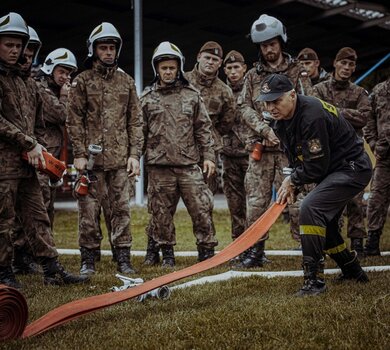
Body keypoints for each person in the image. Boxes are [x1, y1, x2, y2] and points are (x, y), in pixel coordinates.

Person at [258, 73, 372, 296]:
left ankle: (314, 281)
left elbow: (317, 167)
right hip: (333, 169)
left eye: (276, 101)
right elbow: (295, 155)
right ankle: (353, 271)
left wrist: (294, 181)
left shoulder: (312, 115)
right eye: (267, 101)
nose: (270, 107)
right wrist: (291, 179)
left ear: (292, 95)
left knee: (310, 208)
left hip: (352, 168)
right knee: (325, 224)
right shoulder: (281, 118)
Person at [0, 12, 89, 288]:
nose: (16, 50)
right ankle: (4, 273)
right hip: (3, 165)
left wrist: (39, 150)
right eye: (9, 44)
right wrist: (29, 143)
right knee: (3, 220)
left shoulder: (27, 81)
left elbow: (41, 121)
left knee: (38, 216)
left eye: (19, 45)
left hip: (28, 164)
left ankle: (52, 270)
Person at [66, 22, 143, 275]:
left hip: (120, 162)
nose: (108, 52)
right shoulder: (82, 82)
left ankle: (123, 258)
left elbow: (135, 121)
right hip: (90, 163)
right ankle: (88, 259)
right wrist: (78, 153)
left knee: (121, 210)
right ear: (93, 50)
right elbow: (74, 119)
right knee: (88, 211)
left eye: (111, 48)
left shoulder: (126, 82)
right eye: (103, 48)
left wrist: (134, 155)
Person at [237, 14, 312, 268]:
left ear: (281, 42)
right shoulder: (251, 76)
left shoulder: (297, 71)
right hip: (261, 148)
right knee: (256, 203)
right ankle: (255, 252)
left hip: (291, 150)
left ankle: (308, 251)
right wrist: (263, 129)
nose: (268, 49)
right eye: (263, 45)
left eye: (272, 43)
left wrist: (286, 132)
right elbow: (244, 108)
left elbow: (309, 103)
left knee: (298, 202)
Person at [141, 41, 217, 267]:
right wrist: (134, 158)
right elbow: (138, 132)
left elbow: (203, 128)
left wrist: (209, 156)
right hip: (159, 167)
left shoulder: (192, 96)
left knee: (202, 209)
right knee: (160, 213)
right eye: (163, 67)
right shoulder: (146, 98)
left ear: (179, 68)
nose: (167, 72)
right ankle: (165, 254)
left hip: (189, 166)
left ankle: (206, 253)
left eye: (171, 68)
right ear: (157, 69)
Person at [312, 47, 371, 257]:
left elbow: (364, 117)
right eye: (343, 63)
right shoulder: (319, 90)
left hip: (352, 154)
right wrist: (346, 114)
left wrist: (335, 111)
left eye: (351, 65)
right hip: (328, 153)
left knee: (355, 199)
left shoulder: (359, 92)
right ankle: (331, 243)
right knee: (328, 198)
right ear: (335, 64)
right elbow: (315, 112)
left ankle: (358, 245)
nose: (346, 68)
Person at [35, 48, 78, 228]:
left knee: (48, 206)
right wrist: (65, 96)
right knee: (41, 207)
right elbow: (61, 116)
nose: (65, 77)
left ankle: (45, 249)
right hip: (40, 159)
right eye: (61, 72)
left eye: (68, 73)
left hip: (49, 160)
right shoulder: (41, 89)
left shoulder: (54, 90)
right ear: (50, 69)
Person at [185, 41, 235, 194]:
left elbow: (226, 122)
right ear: (199, 57)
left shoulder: (224, 91)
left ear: (220, 64)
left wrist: (210, 134)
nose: (210, 62)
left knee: (205, 198)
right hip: (180, 148)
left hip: (207, 152)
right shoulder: (182, 81)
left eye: (215, 60)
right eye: (207, 58)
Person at [221, 50, 250, 248]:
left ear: (244, 68)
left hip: (251, 155)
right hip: (228, 156)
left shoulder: (252, 90)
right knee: (235, 205)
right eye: (229, 68)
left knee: (255, 203)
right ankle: (238, 245)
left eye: (236, 67)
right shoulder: (221, 91)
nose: (233, 72)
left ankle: (256, 246)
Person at [364, 76, 390, 256]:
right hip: (385, 156)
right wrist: (373, 143)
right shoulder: (379, 91)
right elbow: (368, 118)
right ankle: (372, 243)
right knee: (376, 199)